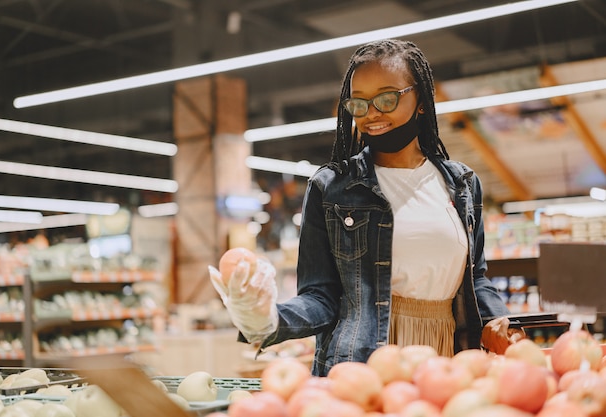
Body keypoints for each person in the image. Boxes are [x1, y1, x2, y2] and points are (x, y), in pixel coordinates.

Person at [209, 39, 523, 377]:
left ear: (420, 100)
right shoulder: (331, 188)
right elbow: (320, 296)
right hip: (363, 363)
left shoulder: (461, 185)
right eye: (359, 103)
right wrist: (267, 318)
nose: (372, 113)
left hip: (448, 357)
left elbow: (475, 279)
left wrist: (500, 323)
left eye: (387, 98)